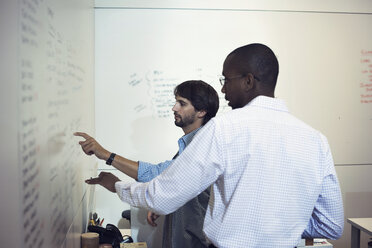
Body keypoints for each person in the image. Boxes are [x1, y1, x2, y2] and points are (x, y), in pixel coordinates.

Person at [85, 43, 344, 248]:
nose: (223, 90)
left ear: (248, 81)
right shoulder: (316, 140)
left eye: (226, 80)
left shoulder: (224, 129)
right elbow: (331, 226)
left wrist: (117, 186)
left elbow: (161, 197)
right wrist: (280, 228)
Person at [75, 80, 220, 248]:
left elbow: (157, 174)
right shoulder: (192, 144)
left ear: (202, 111)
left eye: (182, 103)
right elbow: (170, 180)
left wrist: (108, 159)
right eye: (176, 101)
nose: (174, 108)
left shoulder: (200, 146)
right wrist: (162, 205)